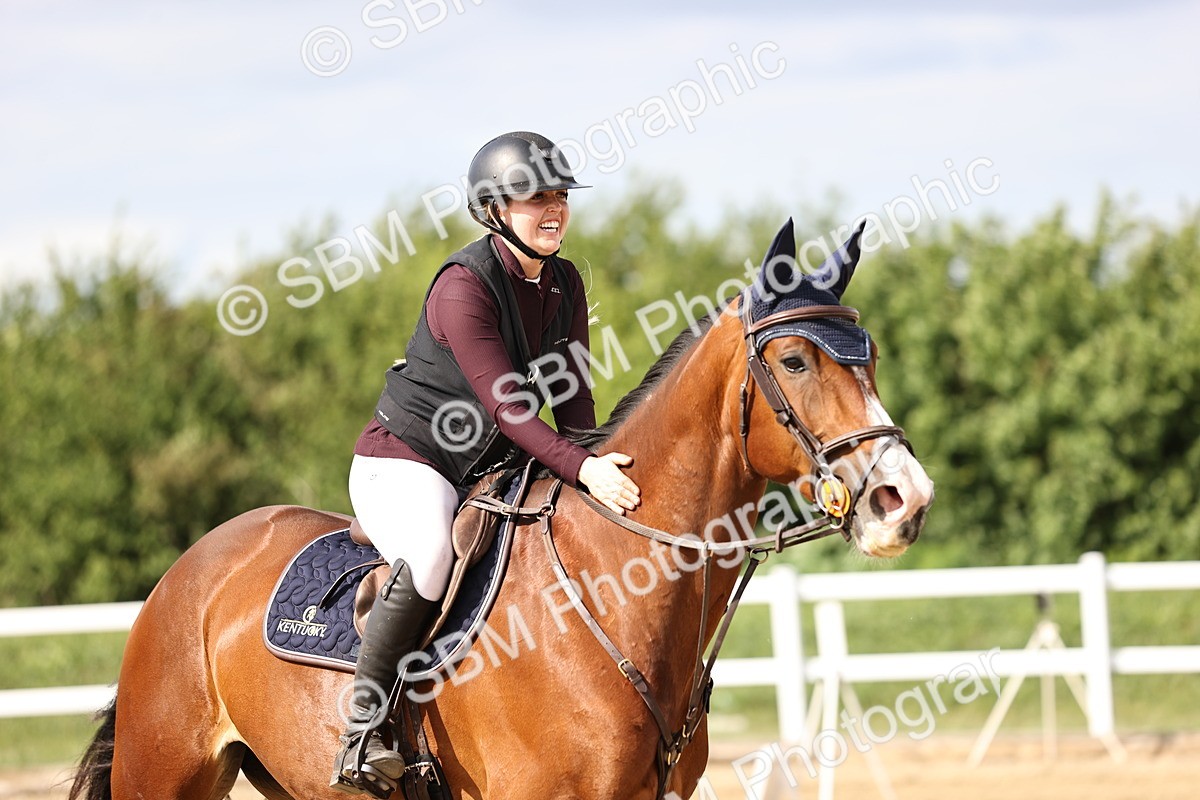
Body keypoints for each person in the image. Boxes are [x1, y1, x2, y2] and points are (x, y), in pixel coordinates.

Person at [331, 131, 642, 795]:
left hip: (491, 468)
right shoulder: (463, 288)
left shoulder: (564, 280)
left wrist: (592, 459)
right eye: (536, 197)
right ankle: (363, 728)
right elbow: (510, 410)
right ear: (494, 209)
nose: (553, 208)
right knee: (432, 555)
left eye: (560, 195)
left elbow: (573, 395)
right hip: (410, 461)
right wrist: (581, 469)